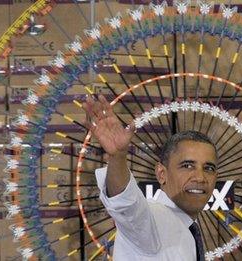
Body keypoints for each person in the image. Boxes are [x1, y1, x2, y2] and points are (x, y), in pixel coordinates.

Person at [84, 94, 218, 261]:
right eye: (187, 166)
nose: (200, 177)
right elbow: (126, 203)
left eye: (208, 168)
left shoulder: (188, 229)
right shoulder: (153, 220)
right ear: (162, 174)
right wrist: (118, 157)